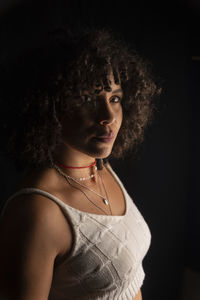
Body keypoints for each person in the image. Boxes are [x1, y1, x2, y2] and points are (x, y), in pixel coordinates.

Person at [0, 26, 160, 300]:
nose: (108, 116)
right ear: (49, 106)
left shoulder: (98, 165)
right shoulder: (38, 212)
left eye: (115, 98)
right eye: (87, 100)